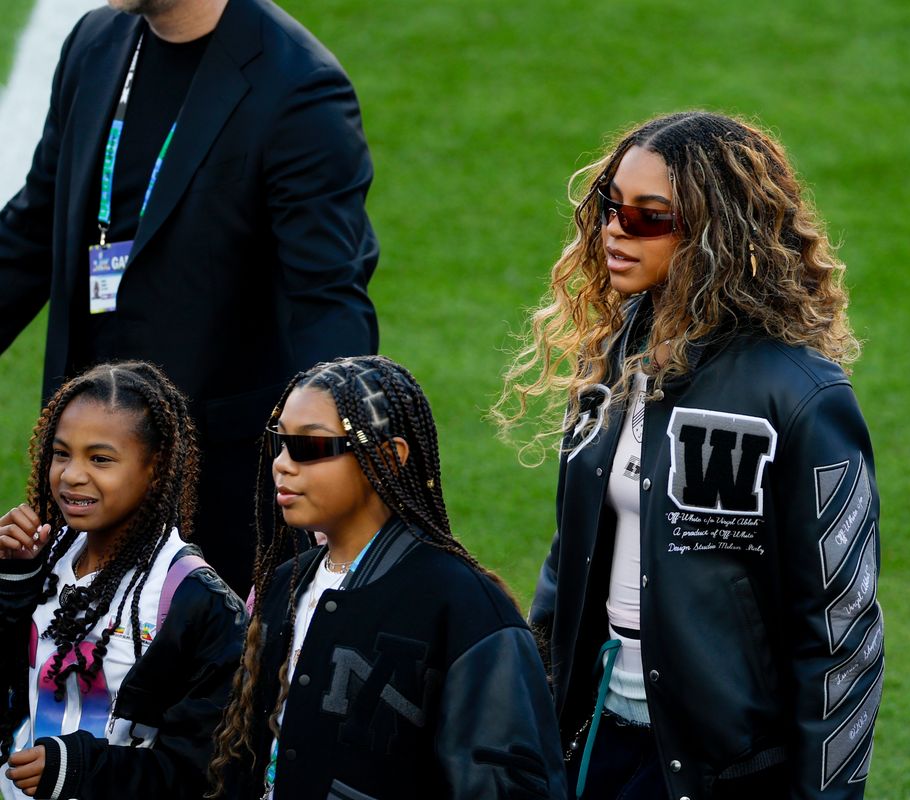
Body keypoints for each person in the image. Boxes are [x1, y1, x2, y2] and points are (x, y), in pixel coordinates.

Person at [496, 111, 883, 799]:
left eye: (649, 217)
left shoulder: (799, 396)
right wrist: (536, 703)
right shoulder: (609, 360)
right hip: (594, 739)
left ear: (715, 232)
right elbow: (571, 553)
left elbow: (841, 632)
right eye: (610, 205)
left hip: (724, 771)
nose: (615, 230)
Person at [0, 0, 379, 597]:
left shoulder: (299, 88)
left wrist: (333, 456)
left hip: (210, 493)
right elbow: (33, 227)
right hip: (86, 468)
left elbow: (327, 300)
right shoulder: (95, 42)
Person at [208, 355, 567, 800]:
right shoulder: (284, 586)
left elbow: (504, 784)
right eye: (279, 442)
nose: (282, 464)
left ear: (387, 457)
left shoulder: (463, 607)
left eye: (309, 446)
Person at [0, 361, 246, 800]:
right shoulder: (42, 558)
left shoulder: (194, 600)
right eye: (61, 453)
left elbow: (201, 771)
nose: (71, 475)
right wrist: (12, 582)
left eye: (100, 459)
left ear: (156, 467)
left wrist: (80, 769)